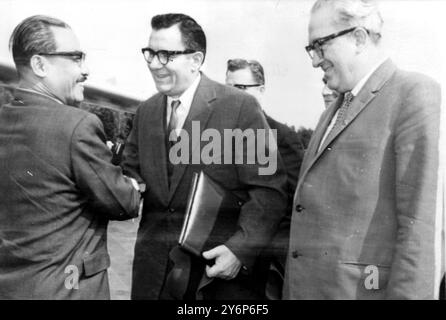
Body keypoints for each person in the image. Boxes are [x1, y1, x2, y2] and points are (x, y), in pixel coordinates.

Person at [121, 13, 287, 300]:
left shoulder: (241, 107)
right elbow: (131, 172)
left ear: (195, 60)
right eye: (150, 53)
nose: (153, 64)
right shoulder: (146, 111)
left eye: (165, 55)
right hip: (152, 276)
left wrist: (240, 249)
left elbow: (269, 190)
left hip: (210, 278)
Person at [283, 0, 442, 299]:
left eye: (320, 45)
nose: (315, 60)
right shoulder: (329, 114)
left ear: (358, 38)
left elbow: (420, 227)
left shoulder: (414, 94)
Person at [0, 15, 141, 299]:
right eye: (76, 58)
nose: (85, 69)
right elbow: (123, 204)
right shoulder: (77, 125)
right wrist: (132, 187)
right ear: (40, 65)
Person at [225, 58, 301, 299]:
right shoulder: (218, 135)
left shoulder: (282, 137)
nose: (232, 96)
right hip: (220, 255)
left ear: (262, 89)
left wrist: (250, 250)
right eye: (228, 88)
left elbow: (293, 205)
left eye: (241, 88)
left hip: (260, 267)